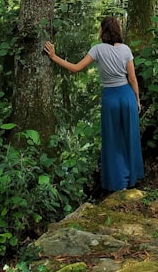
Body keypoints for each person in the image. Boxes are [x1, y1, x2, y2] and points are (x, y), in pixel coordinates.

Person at [44, 17, 144, 191]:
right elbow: (132, 78)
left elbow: (75, 68)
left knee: (113, 139)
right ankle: (132, 179)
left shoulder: (97, 50)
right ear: (117, 31)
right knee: (130, 136)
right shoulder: (126, 50)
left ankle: (117, 183)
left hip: (111, 99)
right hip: (127, 96)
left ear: (103, 31)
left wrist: (53, 57)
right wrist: (137, 99)